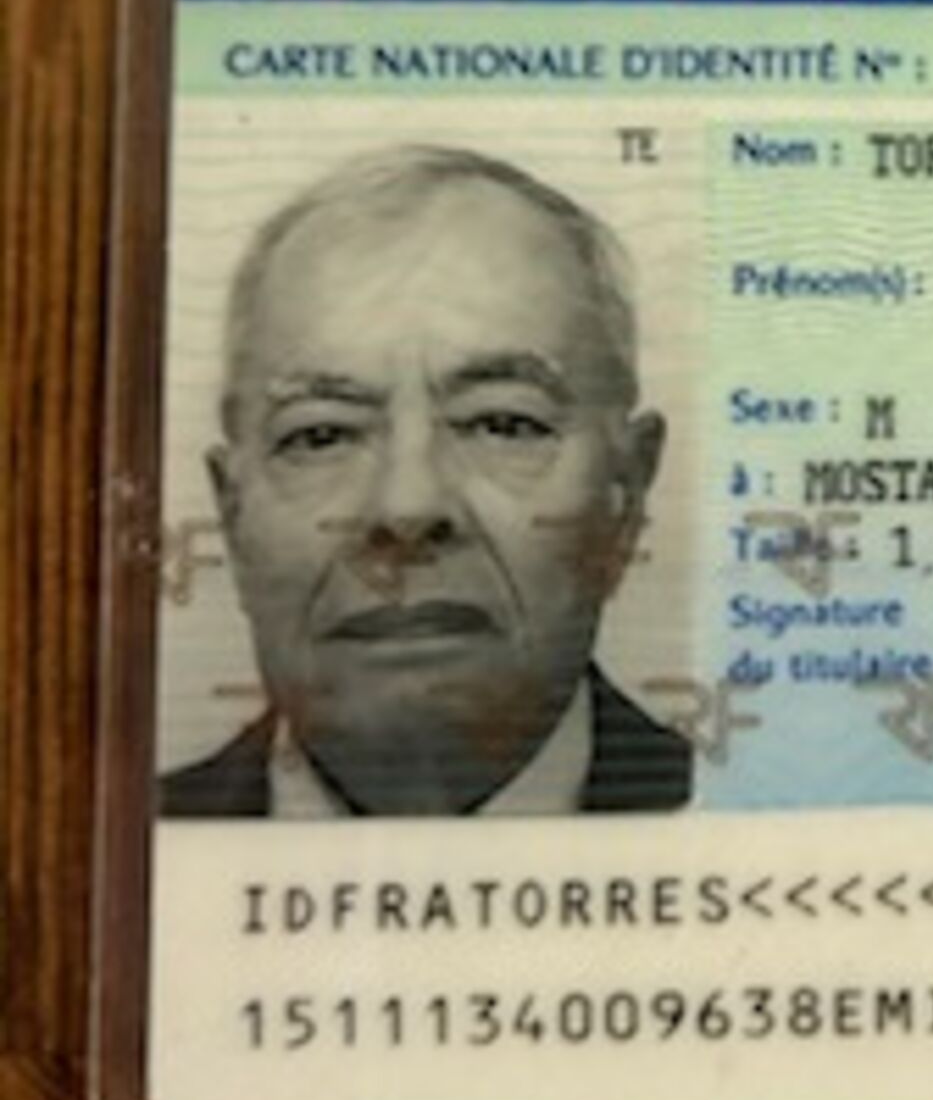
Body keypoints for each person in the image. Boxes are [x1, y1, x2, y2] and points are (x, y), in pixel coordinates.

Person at [159, 145, 691, 818]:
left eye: (502, 422)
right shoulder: (129, 837)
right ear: (232, 517)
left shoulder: (764, 826)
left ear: (627, 495)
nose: (407, 506)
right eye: (321, 435)